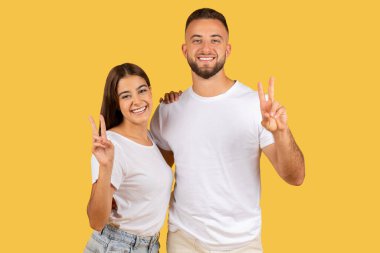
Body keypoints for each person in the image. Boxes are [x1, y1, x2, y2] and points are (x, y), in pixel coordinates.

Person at [150, 8, 305, 253]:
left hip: (241, 243)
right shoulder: (169, 110)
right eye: (197, 40)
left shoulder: (257, 106)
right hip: (184, 239)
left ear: (228, 49)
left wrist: (281, 132)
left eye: (215, 40)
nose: (206, 48)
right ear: (185, 50)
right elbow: (154, 176)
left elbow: (295, 177)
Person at [84, 63, 173, 253]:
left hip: (149, 246)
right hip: (118, 246)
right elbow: (96, 221)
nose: (137, 101)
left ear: (150, 91)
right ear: (116, 103)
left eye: (142, 91)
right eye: (126, 96)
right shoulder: (113, 145)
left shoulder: (151, 139)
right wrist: (106, 167)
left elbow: (160, 169)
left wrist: (175, 105)